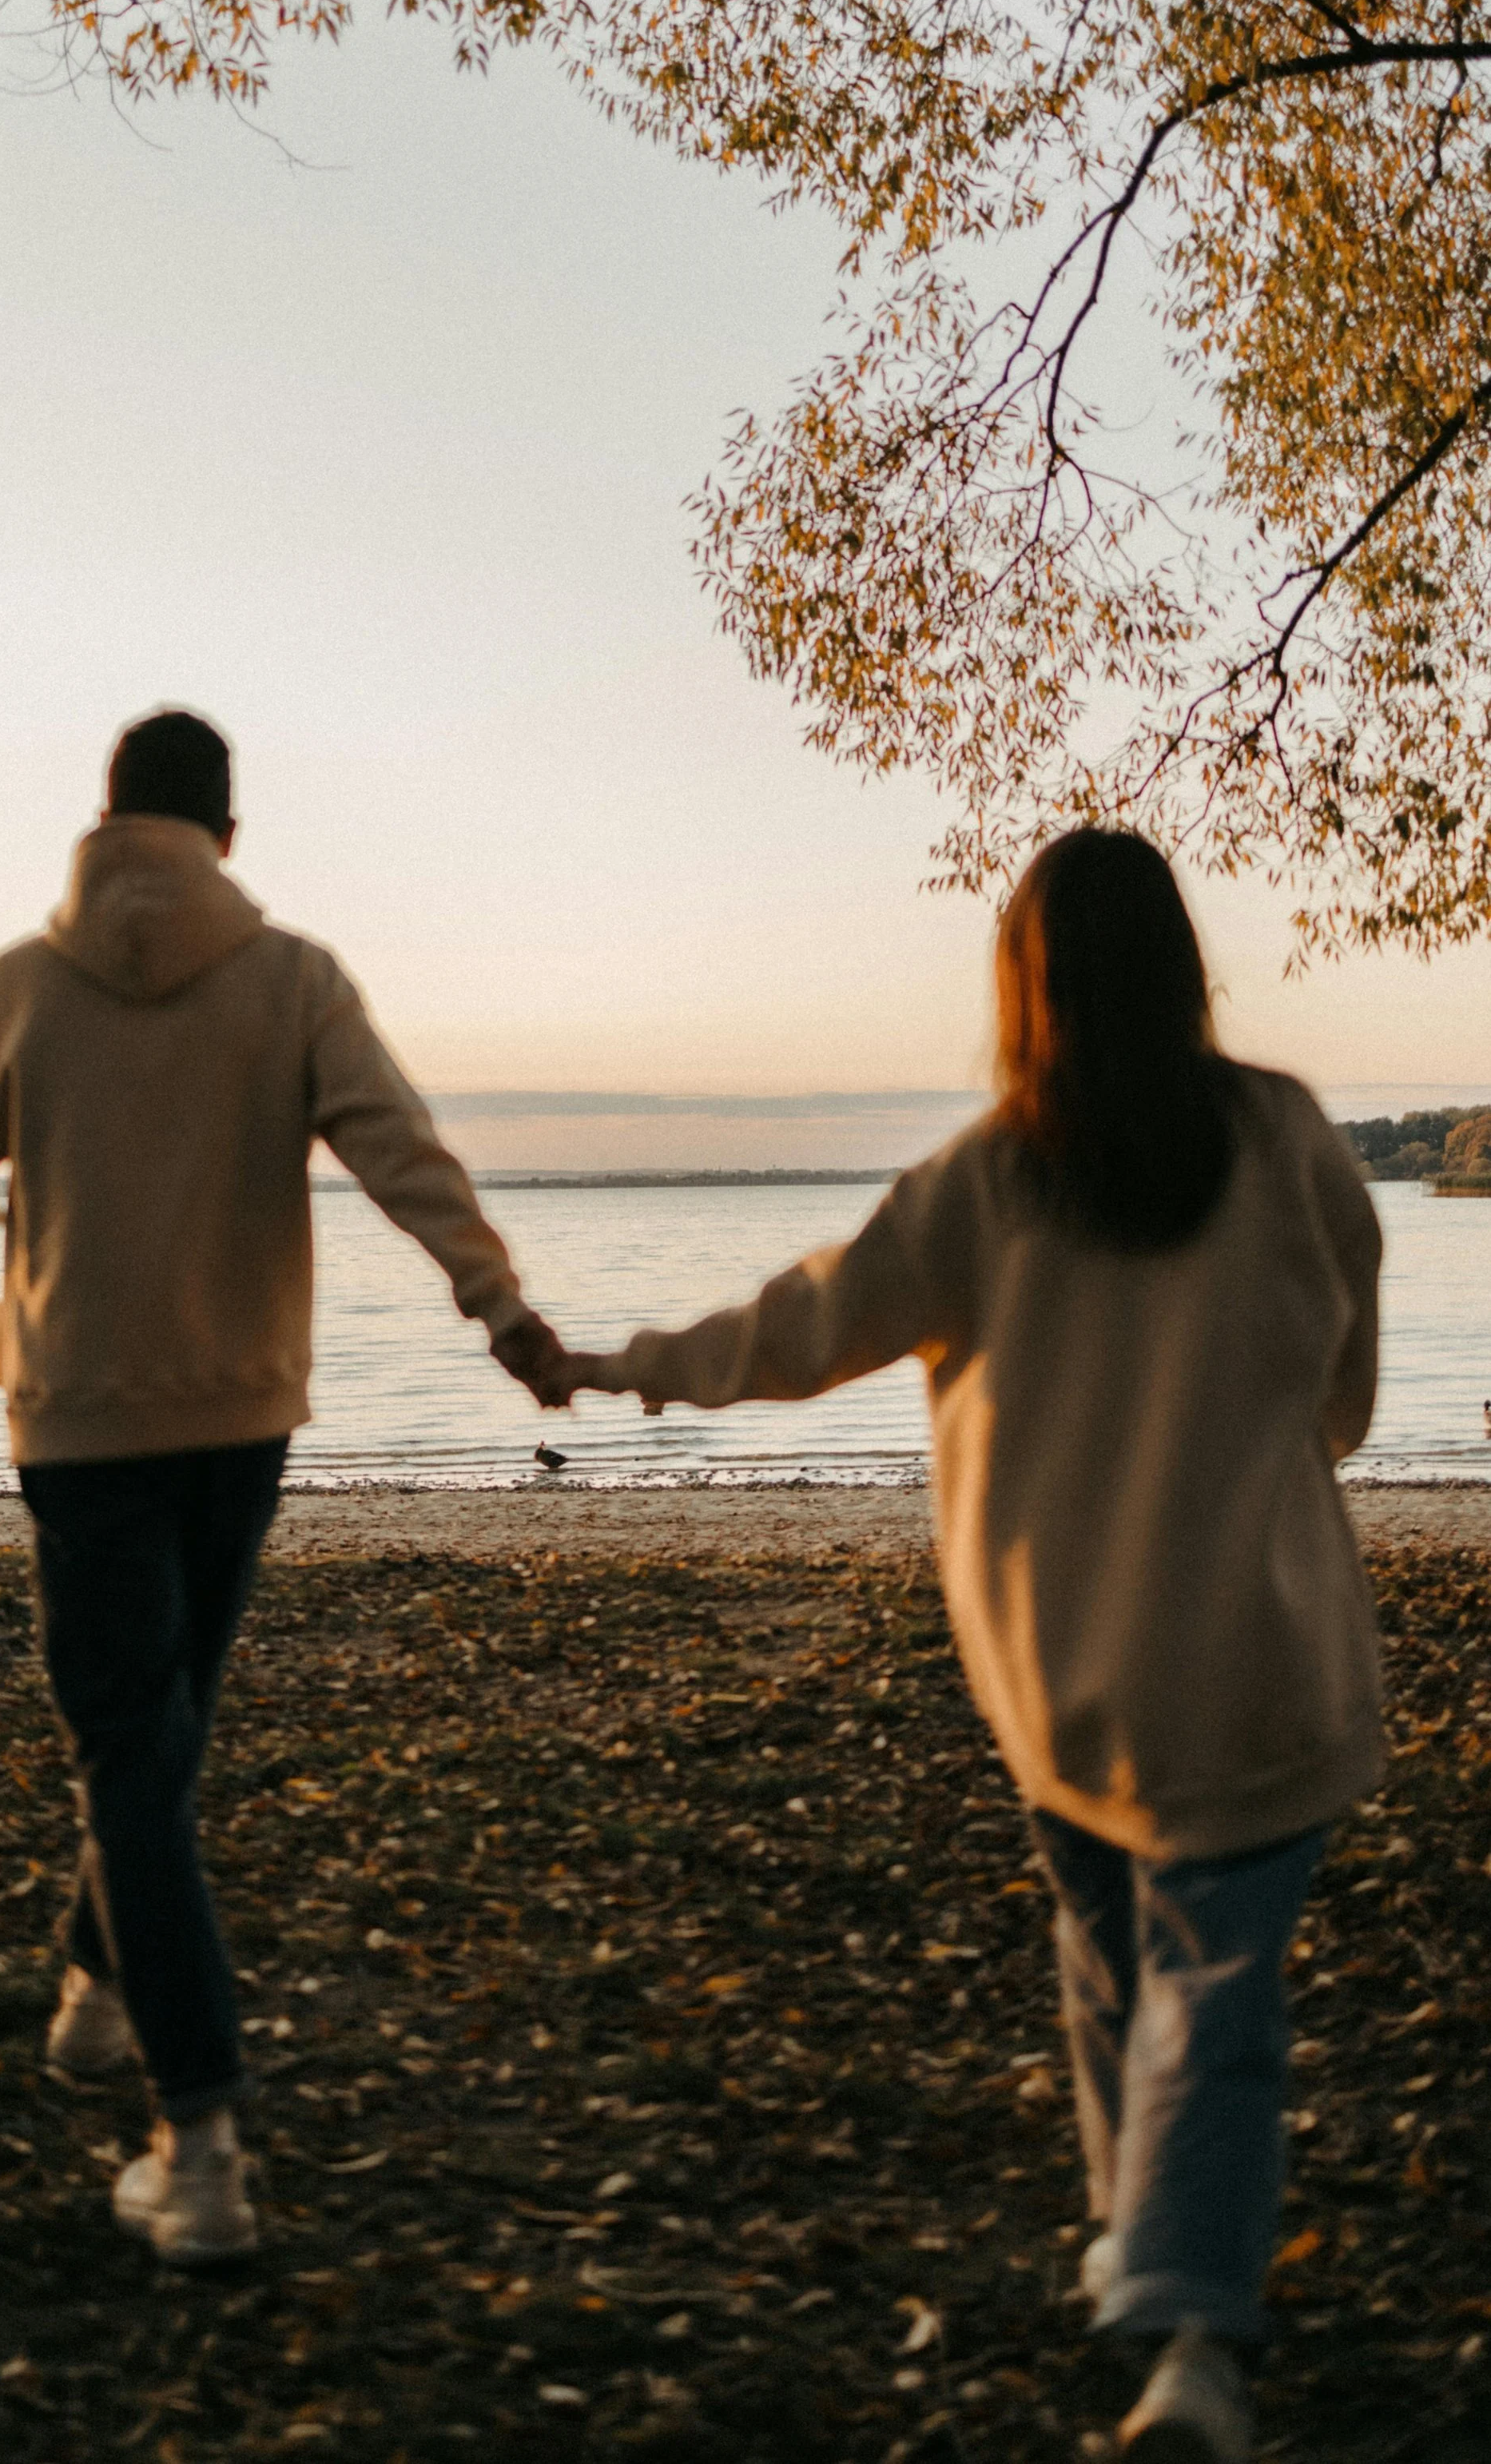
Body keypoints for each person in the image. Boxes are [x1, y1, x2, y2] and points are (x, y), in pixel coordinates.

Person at [558, 829, 1384, 2464]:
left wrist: (627, 1363)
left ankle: (1145, 2266)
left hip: (1060, 1673)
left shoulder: (988, 1178)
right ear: (1178, 970)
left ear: (1024, 987)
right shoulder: (1280, 1133)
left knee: (1114, 1971)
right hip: (1254, 1654)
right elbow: (1340, 1387)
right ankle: (1184, 2334)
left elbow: (801, 1327)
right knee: (1205, 1996)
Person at [0, 708, 563, 2264]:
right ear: (227, 839)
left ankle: (195, 2140)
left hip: (77, 1422)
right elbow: (400, 1151)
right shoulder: (291, 981)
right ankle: (95, 1993)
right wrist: (496, 1303)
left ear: (104, 822)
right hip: (241, 1412)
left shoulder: (16, 989)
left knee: (139, 1744)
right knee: (155, 1733)